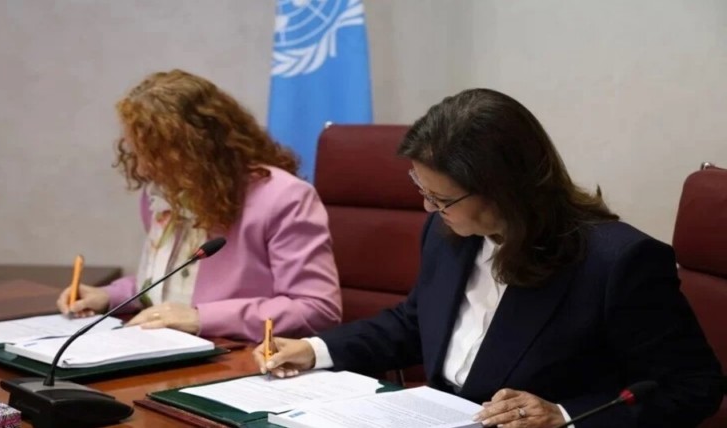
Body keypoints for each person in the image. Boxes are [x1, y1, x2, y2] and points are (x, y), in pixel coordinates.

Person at [253, 89, 722, 427]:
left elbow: (693, 387)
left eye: (442, 198)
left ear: (504, 190)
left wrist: (564, 416)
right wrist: (316, 350)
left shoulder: (616, 262)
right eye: (422, 190)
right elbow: (416, 322)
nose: (428, 208)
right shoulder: (449, 231)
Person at [56, 69, 342, 342]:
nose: (142, 169)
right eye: (137, 153)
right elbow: (172, 286)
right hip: (160, 345)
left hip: (241, 355)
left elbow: (317, 309)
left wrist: (201, 317)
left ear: (200, 150)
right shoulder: (162, 193)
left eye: (155, 156)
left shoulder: (284, 197)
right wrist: (110, 296)